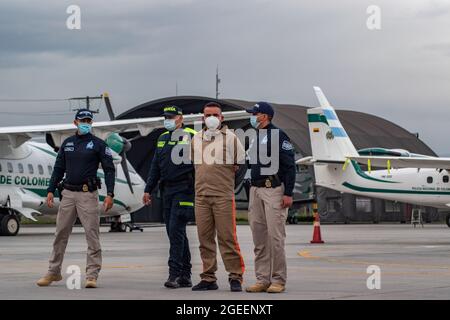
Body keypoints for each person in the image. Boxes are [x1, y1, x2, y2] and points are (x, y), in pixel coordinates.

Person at [37, 109, 115, 289]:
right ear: (75, 123)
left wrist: (110, 194)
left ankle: (92, 274)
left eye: (88, 120)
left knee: (91, 235)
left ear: (91, 123)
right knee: (60, 234)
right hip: (68, 194)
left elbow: (109, 169)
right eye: (82, 120)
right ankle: (53, 271)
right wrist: (50, 190)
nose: (86, 123)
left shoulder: (99, 144)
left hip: (88, 194)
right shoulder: (67, 143)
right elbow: (58, 168)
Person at [190, 102, 246, 292]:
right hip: (201, 196)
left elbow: (241, 166)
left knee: (227, 238)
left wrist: (229, 186)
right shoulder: (196, 139)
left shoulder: (231, 139)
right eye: (208, 115)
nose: (211, 118)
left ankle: (235, 276)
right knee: (204, 239)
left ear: (222, 118)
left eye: (215, 114)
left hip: (222, 196)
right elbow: (194, 166)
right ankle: (208, 277)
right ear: (202, 118)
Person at [244, 102, 296, 294]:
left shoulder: (278, 135)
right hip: (256, 190)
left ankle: (278, 280)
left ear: (264, 116)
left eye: (254, 114)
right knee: (259, 238)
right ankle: (262, 279)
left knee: (275, 238)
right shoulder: (256, 136)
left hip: (273, 189)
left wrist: (288, 192)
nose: (251, 117)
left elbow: (290, 166)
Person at [143, 105, 196, 289]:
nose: (168, 120)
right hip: (167, 190)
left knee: (175, 230)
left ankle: (174, 274)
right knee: (175, 232)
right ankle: (186, 274)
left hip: (184, 189)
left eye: (172, 117)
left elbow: (200, 164)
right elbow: (155, 166)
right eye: (166, 117)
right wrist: (148, 189)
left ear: (180, 118)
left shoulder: (191, 135)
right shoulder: (162, 138)